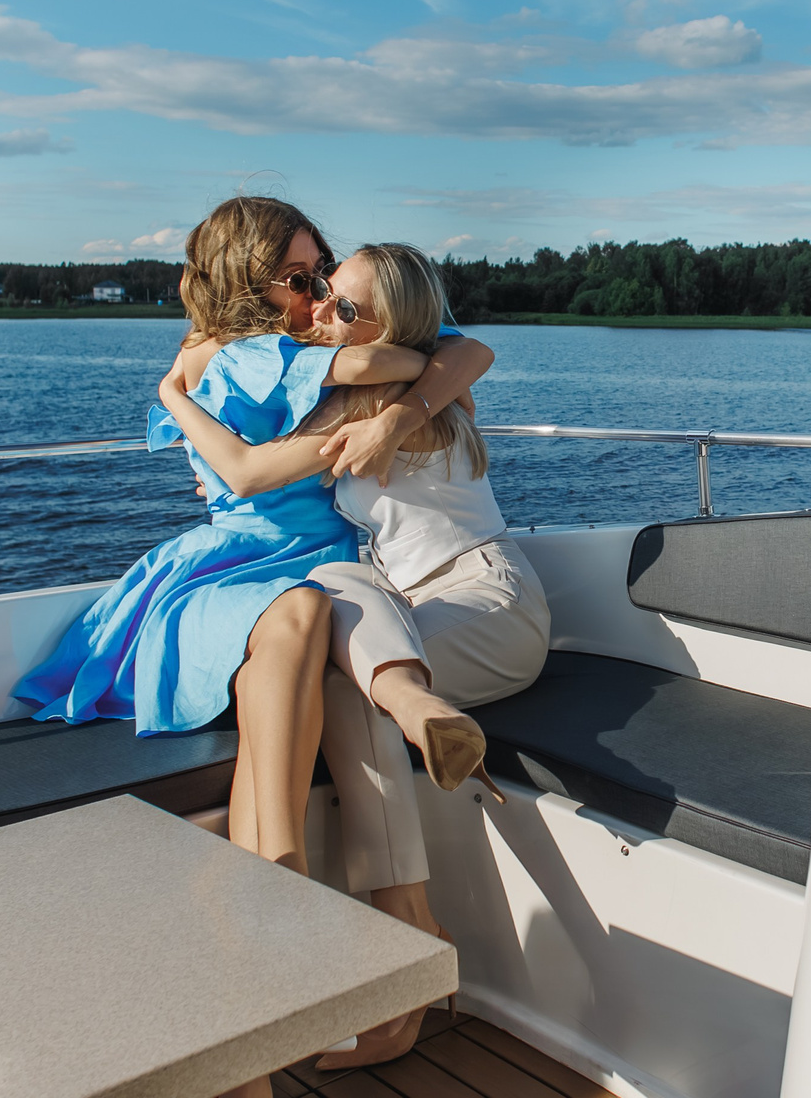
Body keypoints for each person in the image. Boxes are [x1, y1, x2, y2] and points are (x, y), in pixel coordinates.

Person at [11, 198, 493, 883]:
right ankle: (284, 876)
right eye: (298, 279)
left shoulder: (316, 335)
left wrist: (411, 402)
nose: (318, 291)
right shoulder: (232, 354)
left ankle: (272, 883)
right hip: (241, 564)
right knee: (303, 609)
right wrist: (425, 378)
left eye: (322, 270)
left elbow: (469, 349)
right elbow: (379, 366)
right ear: (244, 283)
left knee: (314, 615)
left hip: (337, 564)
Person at [156, 242, 550, 1069]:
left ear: (390, 326)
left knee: (343, 662)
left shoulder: (405, 396)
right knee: (332, 583)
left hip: (490, 603)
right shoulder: (359, 395)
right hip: (410, 613)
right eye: (322, 293)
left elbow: (467, 350)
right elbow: (246, 458)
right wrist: (190, 381)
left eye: (342, 305)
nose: (320, 312)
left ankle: (409, 941)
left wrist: (181, 398)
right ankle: (416, 727)